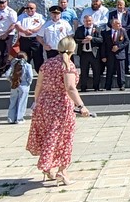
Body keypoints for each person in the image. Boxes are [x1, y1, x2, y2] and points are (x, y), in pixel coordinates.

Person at [26, 36, 91, 185]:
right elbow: (70, 88)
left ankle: (48, 167)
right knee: (64, 138)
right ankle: (62, 171)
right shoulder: (67, 65)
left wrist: (37, 102)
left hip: (44, 104)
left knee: (49, 135)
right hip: (60, 106)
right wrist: (81, 106)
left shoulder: (47, 63)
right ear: (73, 49)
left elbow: (38, 85)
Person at [73, 15, 102, 91]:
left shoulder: (97, 29)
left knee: (96, 71)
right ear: (83, 21)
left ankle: (96, 87)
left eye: (89, 21)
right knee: (84, 71)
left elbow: (101, 40)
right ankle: (83, 87)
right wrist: (82, 41)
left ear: (92, 21)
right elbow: (75, 39)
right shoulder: (80, 29)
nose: (88, 23)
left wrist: (92, 38)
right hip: (84, 53)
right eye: (86, 21)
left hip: (94, 54)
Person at [5, 52, 34, 124]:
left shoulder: (13, 64)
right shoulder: (28, 65)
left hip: (14, 85)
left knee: (13, 102)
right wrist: (28, 83)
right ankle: (19, 119)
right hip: (24, 85)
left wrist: (11, 80)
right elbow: (30, 76)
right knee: (22, 102)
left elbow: (7, 74)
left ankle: (11, 118)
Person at [15, 3, 46, 71]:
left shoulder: (39, 16)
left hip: (36, 39)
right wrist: (24, 31)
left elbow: (43, 25)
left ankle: (40, 73)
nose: (29, 9)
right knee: (24, 57)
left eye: (31, 8)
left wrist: (34, 30)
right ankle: (24, 73)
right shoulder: (21, 16)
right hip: (24, 39)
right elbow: (17, 25)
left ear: (35, 9)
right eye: (27, 8)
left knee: (38, 57)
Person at [101, 19, 130, 91]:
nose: (120, 25)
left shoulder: (123, 31)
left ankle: (122, 85)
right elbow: (104, 45)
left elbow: (127, 41)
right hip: (110, 55)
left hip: (120, 54)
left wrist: (118, 47)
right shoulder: (107, 33)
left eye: (120, 23)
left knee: (121, 71)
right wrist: (103, 56)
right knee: (109, 70)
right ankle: (108, 86)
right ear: (113, 25)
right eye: (118, 23)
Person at [107, 0, 130, 75]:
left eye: (121, 5)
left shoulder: (128, 13)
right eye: (118, 4)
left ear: (124, 6)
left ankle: (125, 69)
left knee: (124, 53)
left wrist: (123, 30)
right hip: (114, 35)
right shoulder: (112, 13)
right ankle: (114, 70)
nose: (119, 6)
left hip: (124, 35)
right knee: (114, 53)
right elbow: (109, 23)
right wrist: (115, 27)